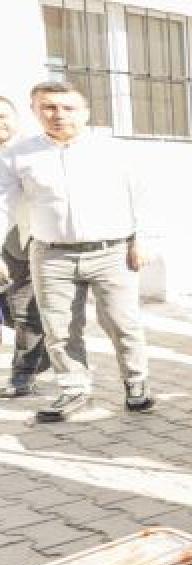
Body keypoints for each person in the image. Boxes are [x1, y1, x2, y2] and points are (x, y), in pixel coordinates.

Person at [0, 82, 155, 421]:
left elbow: (143, 196)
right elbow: (4, 205)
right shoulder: (18, 155)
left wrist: (143, 239)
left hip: (112, 252)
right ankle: (73, 388)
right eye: (49, 107)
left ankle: (136, 382)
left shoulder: (114, 150)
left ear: (85, 112)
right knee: (60, 327)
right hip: (50, 255)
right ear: (35, 111)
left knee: (121, 321)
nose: (58, 115)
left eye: (68, 108)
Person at [0, 96, 51, 398]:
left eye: (4, 115)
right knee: (15, 310)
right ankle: (38, 354)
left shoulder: (32, 153)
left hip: (27, 241)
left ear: (17, 119)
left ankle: (23, 374)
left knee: (25, 309)